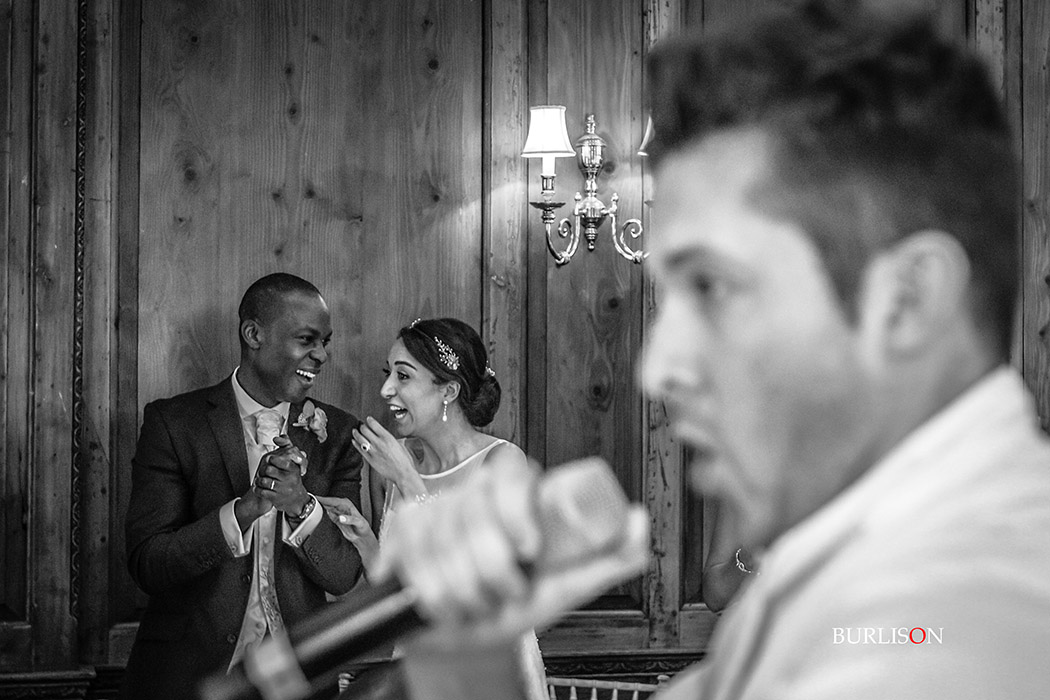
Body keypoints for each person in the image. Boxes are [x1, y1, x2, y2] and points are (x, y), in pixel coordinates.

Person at [370, 2, 1050, 699]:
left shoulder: (963, 610)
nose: (658, 369)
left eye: (714, 287)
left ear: (906, 301)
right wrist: (472, 642)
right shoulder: (844, 555)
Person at [121, 273, 366, 700]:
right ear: (254, 335)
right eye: (307, 340)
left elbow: (343, 576)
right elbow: (149, 564)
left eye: (325, 342)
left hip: (299, 681)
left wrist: (301, 506)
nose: (321, 354)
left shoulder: (339, 434)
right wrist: (244, 510)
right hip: (190, 679)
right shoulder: (174, 424)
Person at [317, 317, 549, 700]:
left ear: (448, 390)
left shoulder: (502, 463)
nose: (386, 389)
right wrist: (363, 539)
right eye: (388, 374)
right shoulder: (392, 464)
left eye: (403, 376)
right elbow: (397, 591)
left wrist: (409, 482)